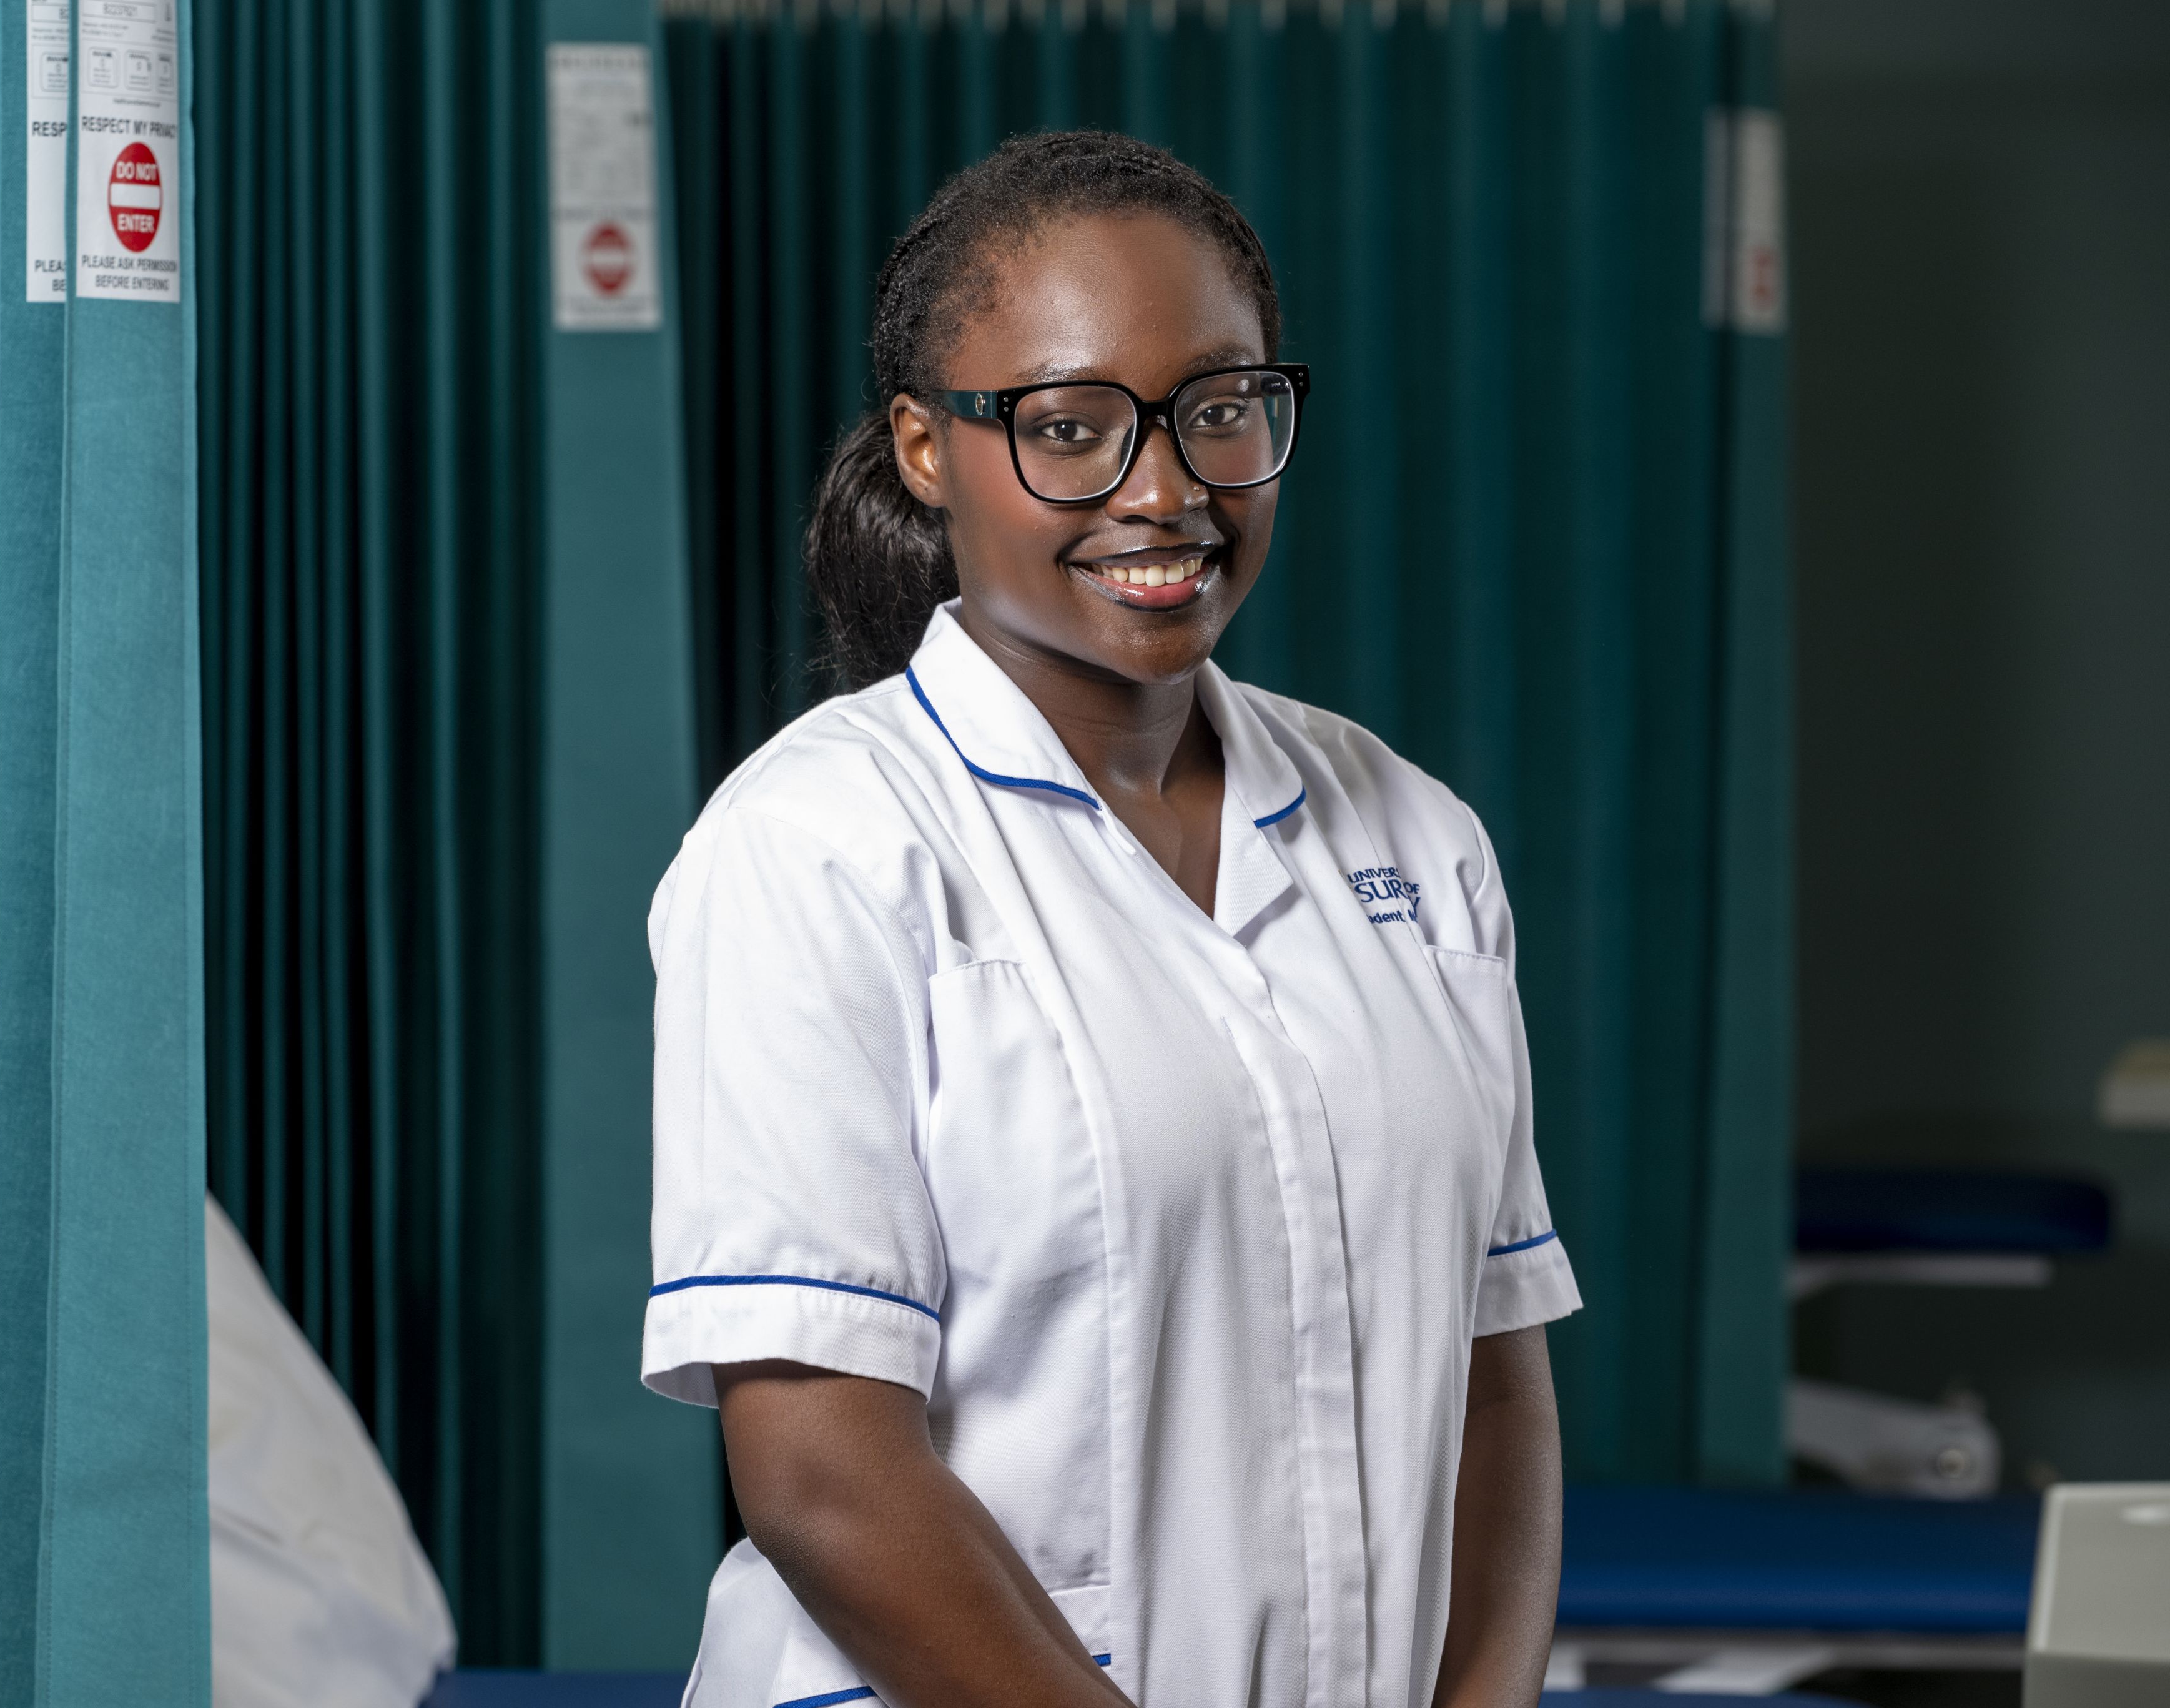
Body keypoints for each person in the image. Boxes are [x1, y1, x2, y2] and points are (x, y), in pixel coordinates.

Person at [643, 131, 1581, 1708]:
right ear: (926, 449)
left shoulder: (1414, 836)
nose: (1162, 491)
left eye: (1218, 412)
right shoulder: (820, 844)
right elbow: (819, 1470)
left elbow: (1491, 1383)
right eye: (1067, 428)